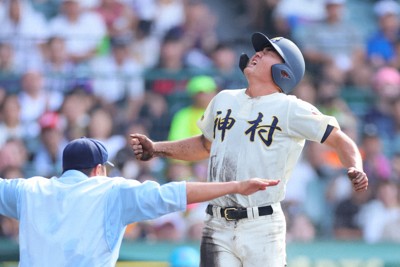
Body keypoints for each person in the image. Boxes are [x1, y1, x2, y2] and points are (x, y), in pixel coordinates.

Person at [130, 32, 369, 267]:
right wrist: (157, 149)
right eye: (260, 50)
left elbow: (340, 140)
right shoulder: (224, 99)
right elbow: (205, 145)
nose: (258, 54)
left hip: (262, 223)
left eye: (268, 53)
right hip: (217, 221)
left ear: (284, 71)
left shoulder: (291, 108)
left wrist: (355, 166)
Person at [0, 137, 279, 267]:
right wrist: (236, 186)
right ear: (99, 169)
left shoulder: (28, 190)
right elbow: (174, 194)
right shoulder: (112, 190)